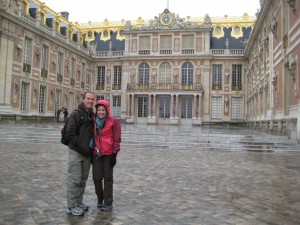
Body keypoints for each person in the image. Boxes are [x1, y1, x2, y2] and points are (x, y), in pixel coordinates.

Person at [65, 92, 95, 216]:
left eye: (92, 99)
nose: (90, 101)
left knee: (83, 180)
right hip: (77, 152)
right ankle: (71, 206)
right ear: (83, 99)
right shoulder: (76, 113)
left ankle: (79, 202)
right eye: (88, 98)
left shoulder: (92, 115)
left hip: (87, 153)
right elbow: (70, 133)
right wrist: (81, 147)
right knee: (74, 179)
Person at [92, 99, 121, 211]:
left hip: (109, 153)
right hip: (96, 153)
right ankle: (100, 198)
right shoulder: (92, 121)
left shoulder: (113, 121)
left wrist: (114, 154)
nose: (101, 112)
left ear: (107, 110)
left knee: (108, 178)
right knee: (96, 178)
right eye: (99, 110)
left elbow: (117, 138)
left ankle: (108, 201)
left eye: (103, 110)